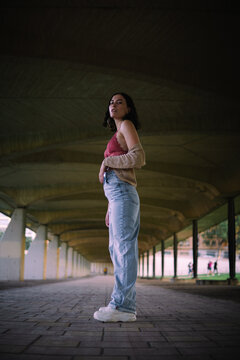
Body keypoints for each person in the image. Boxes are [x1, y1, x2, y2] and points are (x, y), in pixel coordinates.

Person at [93, 92, 145, 322]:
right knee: (118, 250)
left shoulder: (126, 125)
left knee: (123, 250)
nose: (114, 105)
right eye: (111, 102)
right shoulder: (118, 131)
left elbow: (139, 157)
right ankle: (125, 304)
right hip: (117, 197)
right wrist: (109, 208)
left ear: (128, 108)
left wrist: (107, 161)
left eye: (119, 102)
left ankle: (123, 307)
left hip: (122, 193)